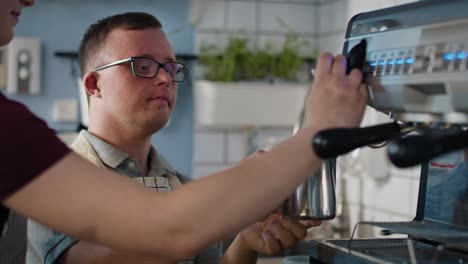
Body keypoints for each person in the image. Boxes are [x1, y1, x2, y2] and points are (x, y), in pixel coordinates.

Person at [1, 0, 367, 261]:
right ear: (94, 85)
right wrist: (315, 133)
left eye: (170, 67)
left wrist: (243, 244)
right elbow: (165, 234)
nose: (164, 78)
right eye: (142, 65)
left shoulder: (178, 186)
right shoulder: (54, 177)